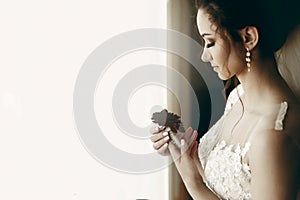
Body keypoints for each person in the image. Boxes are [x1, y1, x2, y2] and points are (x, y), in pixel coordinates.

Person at [150, 0, 300, 199]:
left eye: (210, 42)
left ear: (249, 37)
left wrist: (192, 183)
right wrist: (185, 155)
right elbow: (225, 187)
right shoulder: (238, 98)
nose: (204, 55)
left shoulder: (272, 135)